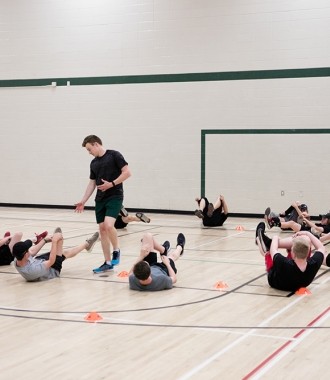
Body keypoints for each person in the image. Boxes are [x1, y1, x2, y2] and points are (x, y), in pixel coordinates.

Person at [74, 135, 131, 274]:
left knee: (109, 225)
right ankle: (107, 262)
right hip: (100, 199)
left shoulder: (114, 155)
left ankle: (116, 250)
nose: (89, 152)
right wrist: (83, 201)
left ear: (95, 144)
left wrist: (111, 184)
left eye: (89, 149)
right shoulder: (93, 163)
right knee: (102, 229)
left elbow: (127, 173)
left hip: (115, 196)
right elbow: (92, 183)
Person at [255, 222, 328, 292]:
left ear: (292, 253)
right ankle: (267, 243)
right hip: (299, 283)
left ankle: (263, 242)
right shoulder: (313, 264)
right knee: (305, 240)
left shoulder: (283, 263)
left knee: (269, 253)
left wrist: (275, 238)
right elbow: (321, 248)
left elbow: (273, 250)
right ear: (308, 253)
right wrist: (307, 234)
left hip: (276, 282)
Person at [13, 228, 99, 282]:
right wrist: (55, 241)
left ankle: (87, 245)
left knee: (64, 253)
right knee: (60, 242)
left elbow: (32, 252)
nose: (29, 250)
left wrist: (45, 240)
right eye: (27, 250)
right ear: (25, 254)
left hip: (39, 261)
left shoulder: (17, 259)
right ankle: (87, 244)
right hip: (53, 269)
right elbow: (51, 261)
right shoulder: (33, 271)